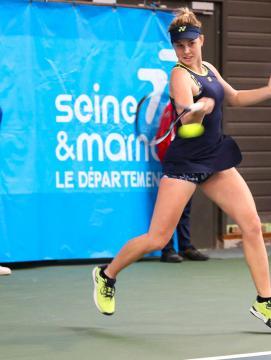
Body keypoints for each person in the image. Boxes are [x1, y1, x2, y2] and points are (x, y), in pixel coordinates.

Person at [92, 7, 271, 328]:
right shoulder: (179, 75)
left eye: (190, 43)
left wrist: (268, 90)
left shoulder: (210, 69)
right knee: (157, 238)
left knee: (253, 226)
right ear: (174, 48)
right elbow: (186, 116)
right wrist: (198, 109)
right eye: (179, 46)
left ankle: (265, 302)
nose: (186, 51)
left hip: (215, 157)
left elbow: (235, 97)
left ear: (201, 40)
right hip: (186, 163)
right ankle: (107, 275)